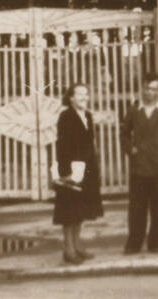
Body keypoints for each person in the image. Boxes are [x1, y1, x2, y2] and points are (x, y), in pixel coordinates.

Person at [120, 73, 158, 254]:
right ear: (142, 88)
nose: (150, 92)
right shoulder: (133, 111)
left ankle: (156, 243)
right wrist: (131, 150)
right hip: (139, 167)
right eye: (147, 88)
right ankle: (134, 243)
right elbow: (123, 135)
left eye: (154, 89)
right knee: (137, 207)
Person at [52, 83, 103, 264]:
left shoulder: (88, 115)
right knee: (69, 210)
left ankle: (78, 245)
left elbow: (90, 142)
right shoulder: (66, 117)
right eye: (79, 94)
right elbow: (63, 145)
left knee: (81, 209)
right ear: (71, 98)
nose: (84, 97)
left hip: (87, 168)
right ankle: (69, 249)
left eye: (86, 94)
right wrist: (67, 172)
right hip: (72, 169)